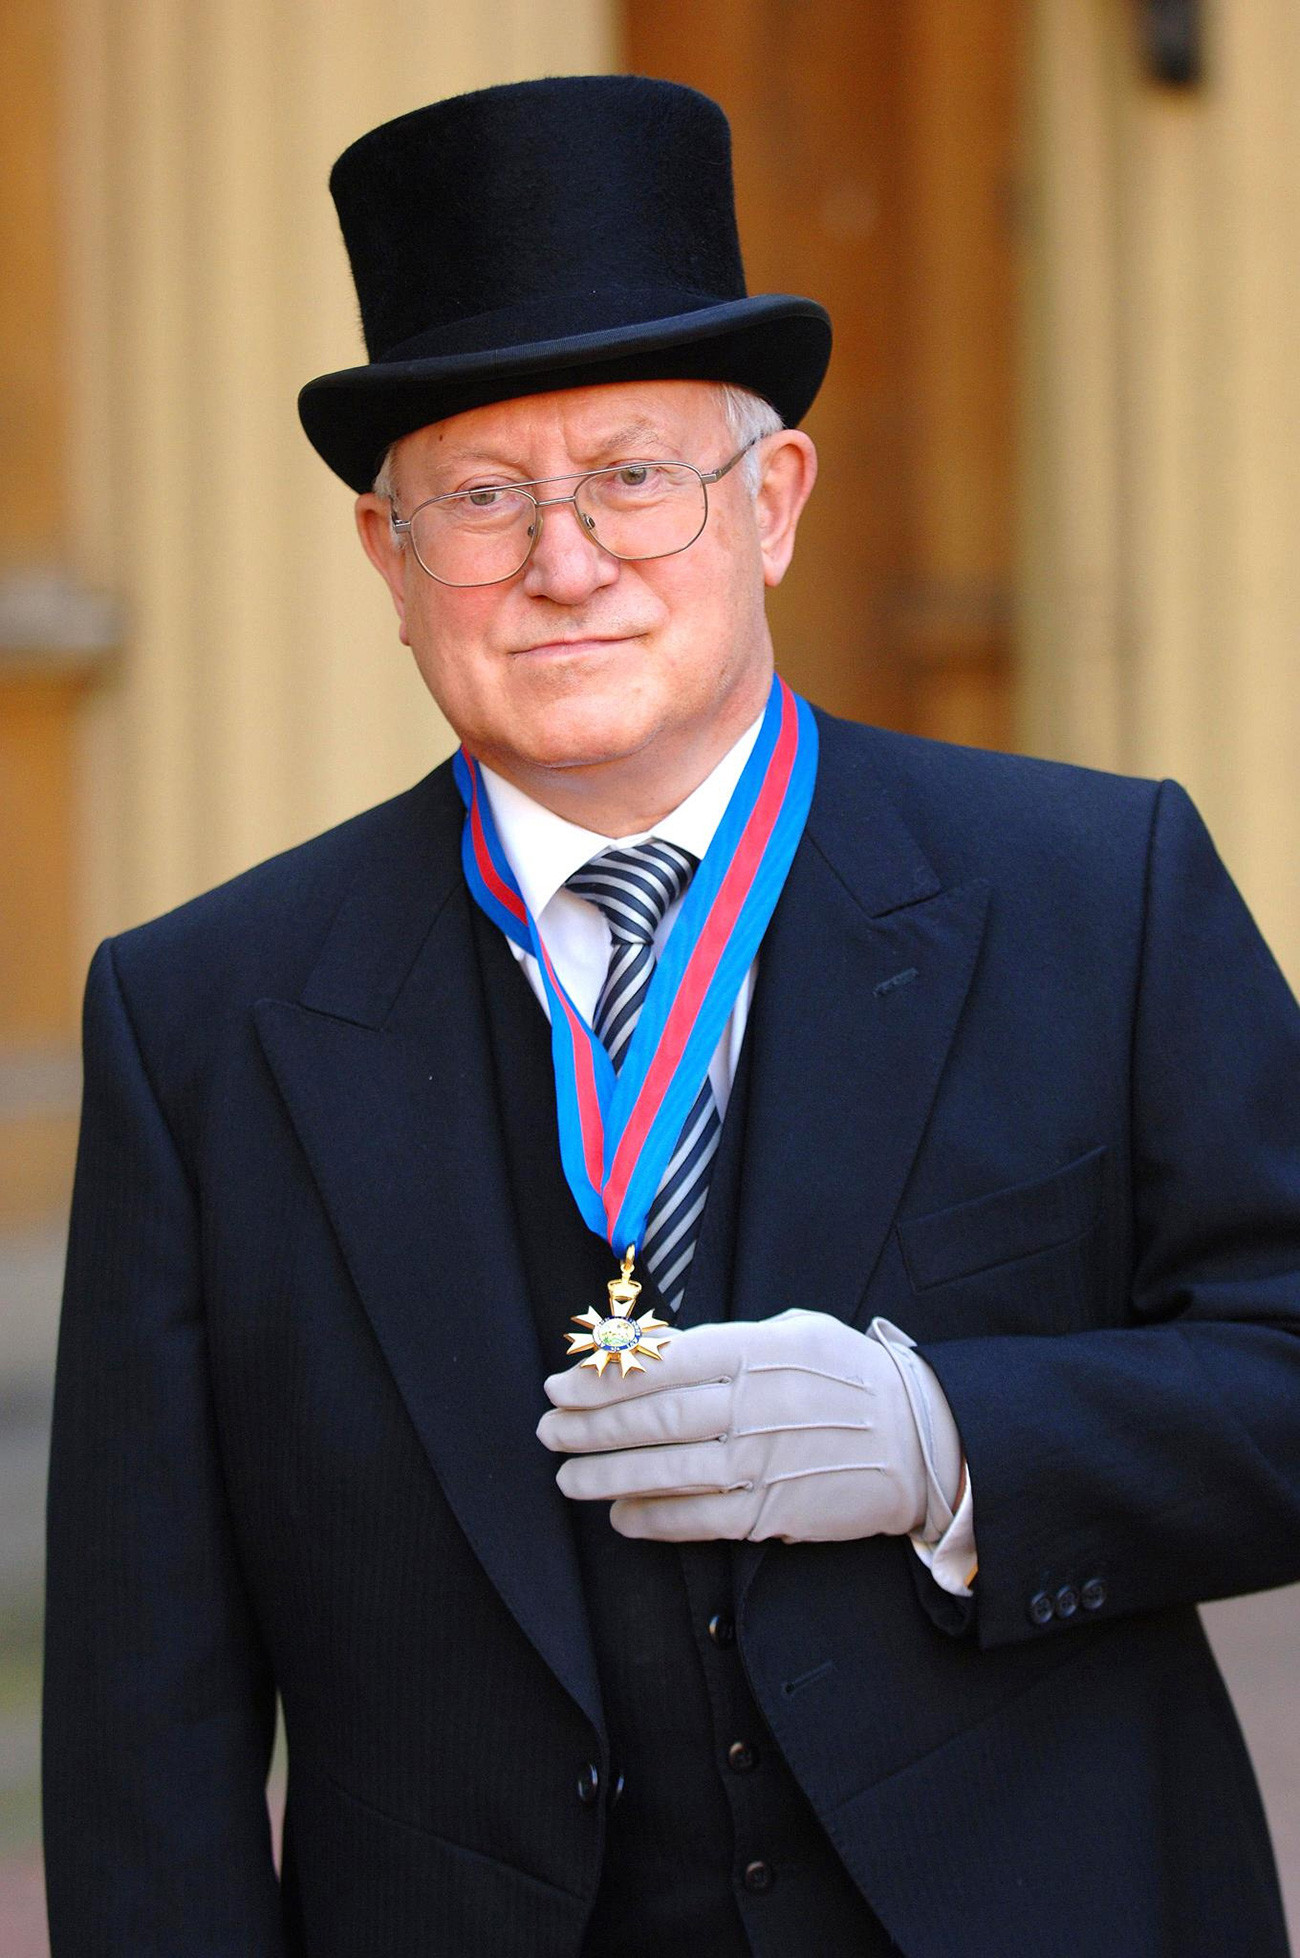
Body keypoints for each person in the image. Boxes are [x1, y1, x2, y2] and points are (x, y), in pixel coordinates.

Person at [42, 73, 1300, 1958]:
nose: (566, 561)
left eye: (633, 474)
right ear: (391, 564)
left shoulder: (1090, 888)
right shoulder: (199, 1014)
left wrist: (963, 1435)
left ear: (773, 502)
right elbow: (150, 1707)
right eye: (481, 498)